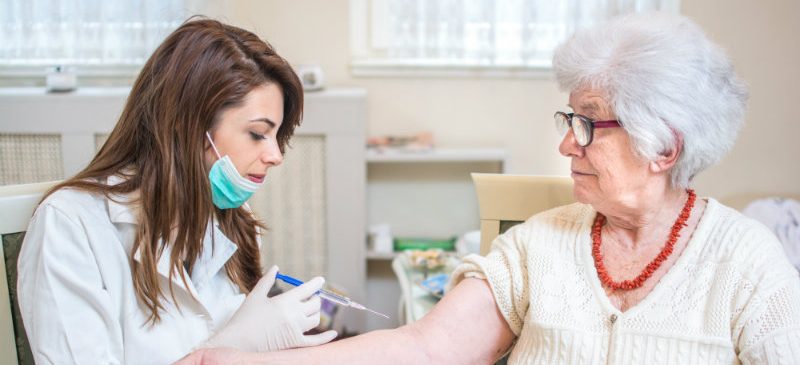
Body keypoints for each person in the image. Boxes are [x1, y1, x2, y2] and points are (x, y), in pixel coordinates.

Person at [180, 12, 800, 365]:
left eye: (588, 125)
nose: (566, 144)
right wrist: (245, 363)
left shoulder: (748, 264)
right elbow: (425, 349)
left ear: (664, 146)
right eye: (569, 120)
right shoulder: (541, 245)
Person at [16, 18, 336, 364]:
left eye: (277, 137)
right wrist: (232, 347)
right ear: (188, 127)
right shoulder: (71, 227)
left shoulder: (232, 222)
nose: (275, 156)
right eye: (258, 134)